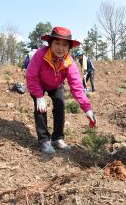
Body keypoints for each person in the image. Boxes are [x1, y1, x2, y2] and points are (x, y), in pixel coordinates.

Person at [26, 26, 96, 155]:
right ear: (50, 44)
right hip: (38, 84)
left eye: (64, 45)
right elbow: (31, 76)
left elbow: (76, 86)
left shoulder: (69, 62)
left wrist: (87, 108)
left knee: (60, 105)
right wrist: (39, 96)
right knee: (40, 109)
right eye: (57, 43)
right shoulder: (40, 55)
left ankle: (57, 138)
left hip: (56, 84)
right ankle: (44, 141)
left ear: (69, 47)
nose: (60, 48)